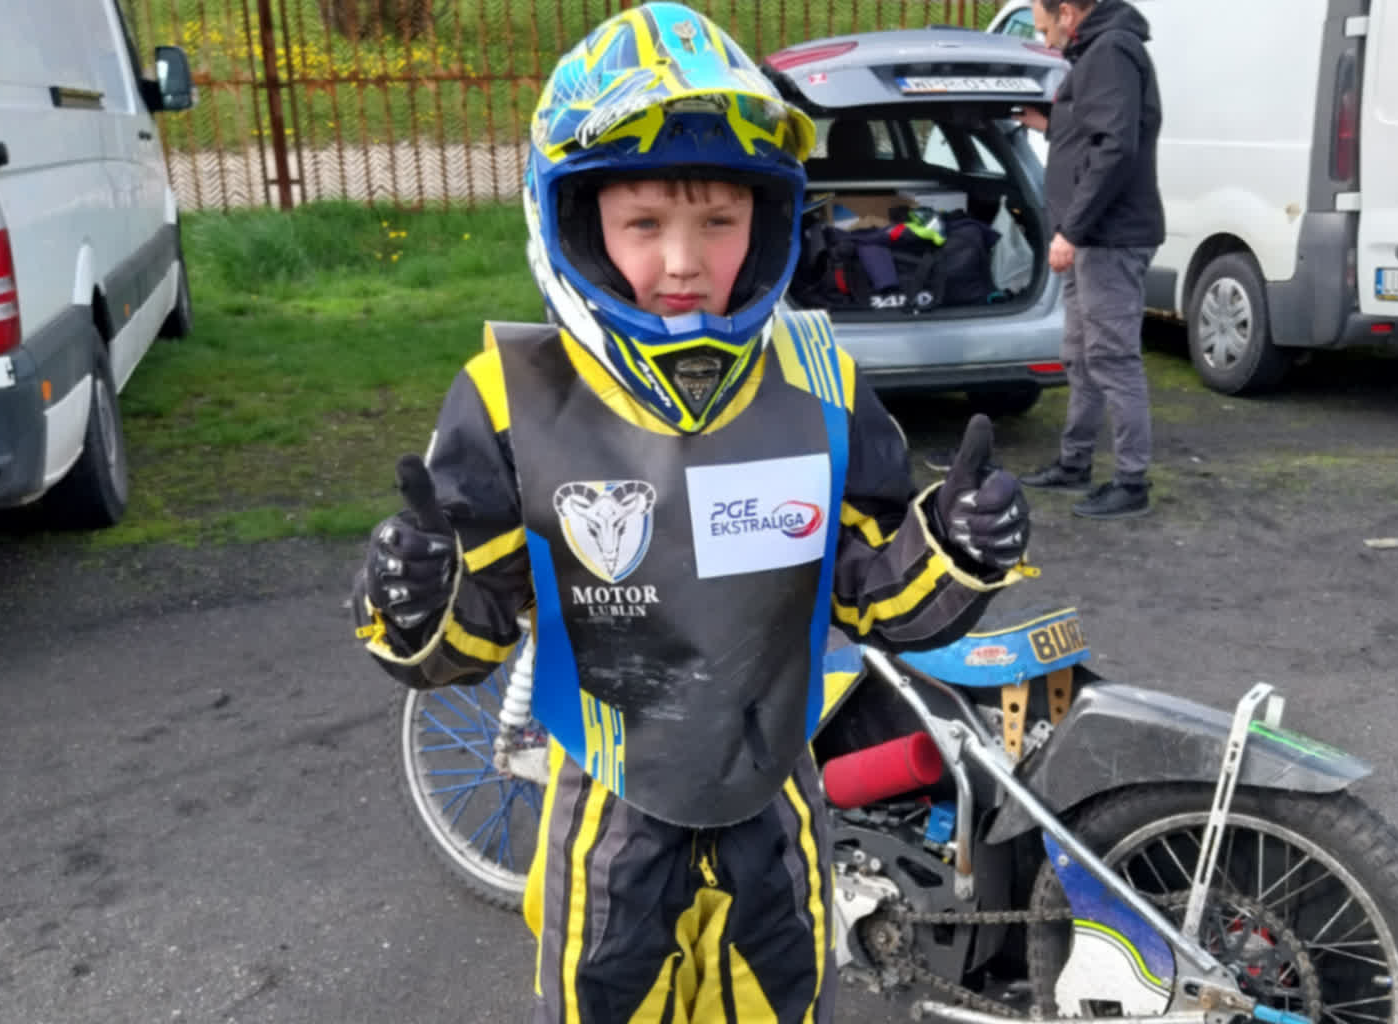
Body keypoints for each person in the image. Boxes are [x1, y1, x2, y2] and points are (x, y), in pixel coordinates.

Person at [350, 5, 1033, 1022]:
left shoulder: (817, 382)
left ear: (770, 218)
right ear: (577, 220)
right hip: (610, 815)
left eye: (719, 221)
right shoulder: (513, 396)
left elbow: (871, 595)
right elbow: (471, 634)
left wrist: (956, 547)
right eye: (645, 224)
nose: (684, 260)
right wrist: (413, 602)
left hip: (776, 796)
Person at [1016, 0, 1165, 520]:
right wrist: (1049, 123)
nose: (1046, 41)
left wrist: (1072, 230)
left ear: (1067, 13)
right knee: (1080, 357)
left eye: (1044, 28)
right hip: (1092, 237)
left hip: (1109, 238)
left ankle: (1131, 482)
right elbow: (1093, 130)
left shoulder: (1110, 50)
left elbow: (1115, 146)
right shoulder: (1097, 51)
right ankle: (1074, 462)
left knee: (1113, 359)